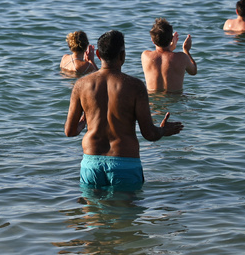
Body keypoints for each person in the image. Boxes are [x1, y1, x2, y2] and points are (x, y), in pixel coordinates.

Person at [65, 30, 184, 190]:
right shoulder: (135, 86)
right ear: (123, 55)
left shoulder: (81, 85)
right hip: (125, 164)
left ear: (98, 54)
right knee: (125, 214)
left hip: (91, 163)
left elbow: (70, 131)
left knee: (91, 213)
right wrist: (163, 130)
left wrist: (81, 124)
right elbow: (149, 134)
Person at [140, 18, 197, 93]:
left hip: (153, 100)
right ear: (171, 39)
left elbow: (162, 57)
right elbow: (193, 71)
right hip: (175, 99)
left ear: (152, 40)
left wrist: (170, 48)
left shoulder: (145, 56)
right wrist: (186, 50)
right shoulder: (182, 57)